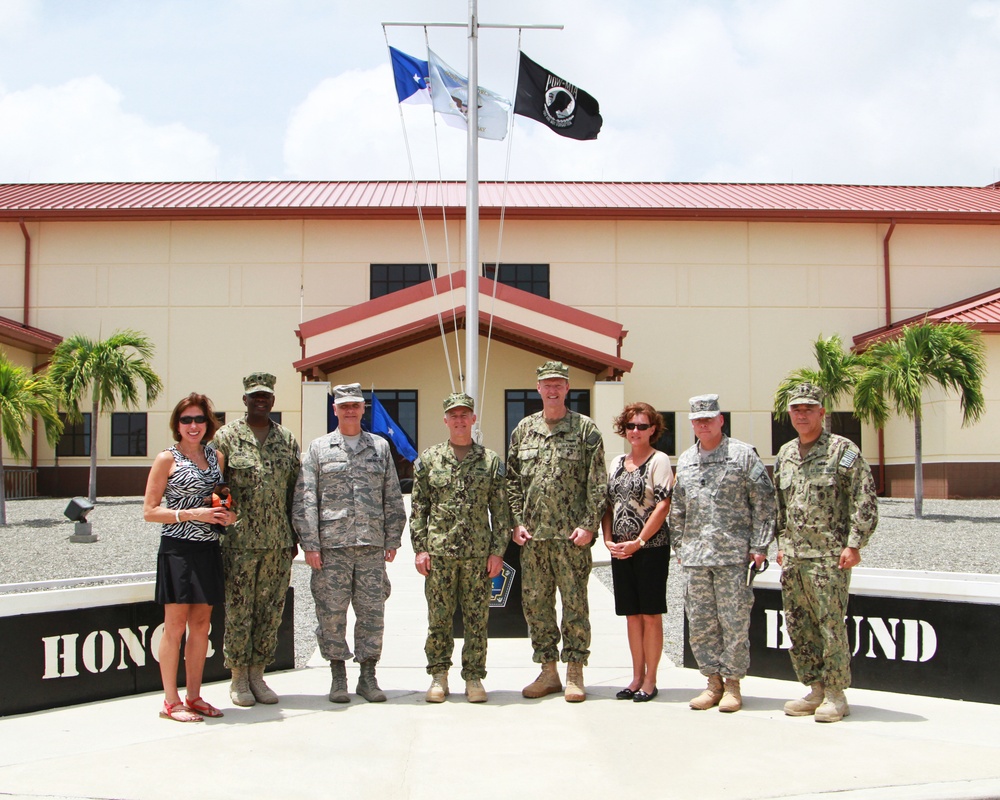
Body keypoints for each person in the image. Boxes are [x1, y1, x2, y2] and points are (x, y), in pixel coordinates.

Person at [293, 382, 406, 703]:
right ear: (335, 410)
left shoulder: (380, 448)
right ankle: (338, 674)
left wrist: (393, 538)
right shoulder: (319, 448)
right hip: (331, 549)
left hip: (371, 547)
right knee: (331, 613)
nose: (350, 410)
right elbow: (306, 497)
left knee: (372, 613)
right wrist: (311, 544)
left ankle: (368, 676)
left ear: (362, 408)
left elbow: (392, 495)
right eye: (344, 406)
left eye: (355, 405)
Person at [775, 382, 879, 723]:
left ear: (822, 412)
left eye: (808, 408)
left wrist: (854, 543)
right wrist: (780, 544)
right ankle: (815, 687)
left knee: (831, 624)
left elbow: (864, 498)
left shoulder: (842, 451)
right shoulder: (786, 453)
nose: (801, 414)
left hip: (829, 556)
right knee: (799, 625)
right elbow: (781, 506)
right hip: (793, 557)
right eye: (796, 409)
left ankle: (836, 694)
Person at [506, 360, 607, 702]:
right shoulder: (523, 430)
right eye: (546, 384)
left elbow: (598, 483)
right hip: (534, 538)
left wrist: (589, 525)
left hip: (571, 538)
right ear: (538, 388)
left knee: (575, 603)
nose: (552, 390)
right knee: (536, 605)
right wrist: (516, 522)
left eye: (558, 384)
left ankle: (575, 670)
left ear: (567, 389)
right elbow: (513, 482)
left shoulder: (585, 430)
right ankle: (548, 670)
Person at [669, 394, 776, 713]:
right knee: (701, 623)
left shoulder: (742, 455)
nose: (703, 424)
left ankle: (732, 684)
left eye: (708, 419)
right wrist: (680, 547)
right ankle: (712, 682)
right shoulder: (687, 459)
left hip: (733, 557)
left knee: (733, 622)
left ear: (720, 420)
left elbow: (765, 503)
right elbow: (678, 507)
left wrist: (760, 546)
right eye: (697, 420)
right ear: (691, 423)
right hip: (697, 559)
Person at [409, 392, 512, 703]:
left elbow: (501, 510)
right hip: (439, 554)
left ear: (473, 419)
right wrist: (420, 548)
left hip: (478, 557)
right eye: (453, 415)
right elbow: (419, 508)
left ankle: (474, 677)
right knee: (438, 618)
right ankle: (439, 676)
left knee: (477, 619)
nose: (459, 420)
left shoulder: (490, 461)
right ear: (445, 420)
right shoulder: (428, 460)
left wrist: (497, 552)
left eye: (464, 414)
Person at [142, 393, 235, 722]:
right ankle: (171, 701)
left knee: (201, 626)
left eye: (199, 420)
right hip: (178, 551)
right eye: (186, 420)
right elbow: (150, 512)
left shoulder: (216, 457)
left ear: (208, 424)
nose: (193, 426)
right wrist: (192, 513)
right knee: (175, 627)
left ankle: (194, 696)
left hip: (208, 549)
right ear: (177, 425)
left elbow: (223, 502)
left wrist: (227, 517)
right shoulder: (166, 459)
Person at [213, 372, 300, 707]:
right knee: (239, 611)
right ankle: (238, 678)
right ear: (245, 400)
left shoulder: (286, 439)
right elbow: (214, 487)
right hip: (239, 543)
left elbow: (295, 491)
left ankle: (258, 675)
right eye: (254, 396)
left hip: (278, 542)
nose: (260, 400)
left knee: (270, 611)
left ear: (273, 401)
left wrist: (296, 536)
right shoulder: (226, 438)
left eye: (266, 396)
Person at [601, 402, 673, 703]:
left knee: (650, 615)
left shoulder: (659, 461)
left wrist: (639, 542)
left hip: (650, 549)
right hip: (621, 551)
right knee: (631, 616)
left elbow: (663, 505)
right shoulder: (617, 461)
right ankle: (635, 676)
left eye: (642, 426)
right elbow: (608, 504)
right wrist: (607, 539)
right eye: (631, 426)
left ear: (653, 429)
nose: (636, 431)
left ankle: (650, 679)